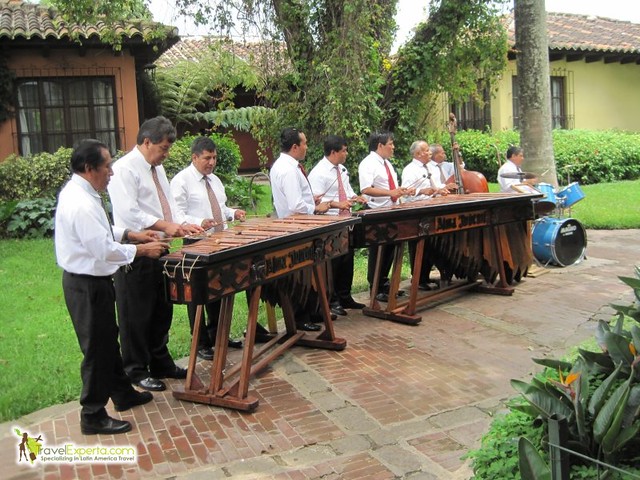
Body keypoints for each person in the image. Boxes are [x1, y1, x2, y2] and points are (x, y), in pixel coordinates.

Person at [55, 139, 170, 434]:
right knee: (97, 348)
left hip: (93, 282)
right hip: (87, 285)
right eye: (107, 166)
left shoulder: (86, 193)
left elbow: (103, 229)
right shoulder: (80, 203)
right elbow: (103, 250)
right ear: (89, 168)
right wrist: (142, 250)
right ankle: (92, 414)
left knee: (108, 339)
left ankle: (122, 393)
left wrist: (133, 233)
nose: (112, 172)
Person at [108, 116, 202, 392]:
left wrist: (181, 226)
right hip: (136, 252)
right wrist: (165, 225)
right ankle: (136, 369)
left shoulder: (157, 168)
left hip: (161, 249)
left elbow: (167, 205)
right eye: (162, 148)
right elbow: (129, 214)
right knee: (136, 313)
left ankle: (160, 361)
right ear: (146, 142)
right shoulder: (124, 170)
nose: (166, 154)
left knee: (162, 309)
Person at [170, 136, 245, 360]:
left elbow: (220, 207)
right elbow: (177, 214)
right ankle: (200, 342)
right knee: (198, 295)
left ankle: (218, 336)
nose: (211, 162)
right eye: (207, 158)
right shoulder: (181, 181)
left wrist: (233, 213)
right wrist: (198, 222)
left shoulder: (215, 180)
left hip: (219, 242)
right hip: (196, 244)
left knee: (220, 290)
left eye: (214, 157)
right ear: (194, 157)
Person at [269, 127, 331, 331]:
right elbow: (296, 206)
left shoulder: (287, 166)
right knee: (300, 275)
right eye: (304, 143)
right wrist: (316, 207)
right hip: (296, 227)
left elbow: (294, 198)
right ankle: (300, 318)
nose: (306, 147)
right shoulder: (287, 169)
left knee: (306, 271)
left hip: (297, 225)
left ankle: (311, 312)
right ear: (295, 147)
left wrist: (309, 199)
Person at [308, 135, 366, 316]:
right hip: (329, 223)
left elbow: (347, 192)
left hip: (346, 221)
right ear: (333, 152)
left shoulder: (342, 169)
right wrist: (337, 204)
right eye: (344, 150)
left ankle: (345, 296)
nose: (346, 153)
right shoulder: (318, 173)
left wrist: (356, 197)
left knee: (347, 260)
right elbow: (316, 200)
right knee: (332, 263)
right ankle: (332, 300)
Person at [358, 131, 413, 302]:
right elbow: (366, 189)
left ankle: (385, 283)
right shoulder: (367, 164)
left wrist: (400, 192)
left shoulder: (387, 164)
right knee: (378, 250)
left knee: (390, 249)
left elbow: (392, 187)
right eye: (390, 143)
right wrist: (390, 192)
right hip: (377, 212)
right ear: (380, 145)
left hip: (391, 209)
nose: (393, 147)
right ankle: (375, 286)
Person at [401, 140, 449, 290]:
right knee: (418, 246)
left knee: (430, 245)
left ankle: (425, 276)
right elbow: (406, 191)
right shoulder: (410, 170)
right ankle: (418, 279)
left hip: (431, 208)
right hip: (416, 212)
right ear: (418, 154)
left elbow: (435, 185)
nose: (430, 153)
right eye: (427, 150)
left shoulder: (429, 167)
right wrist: (421, 191)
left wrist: (442, 189)